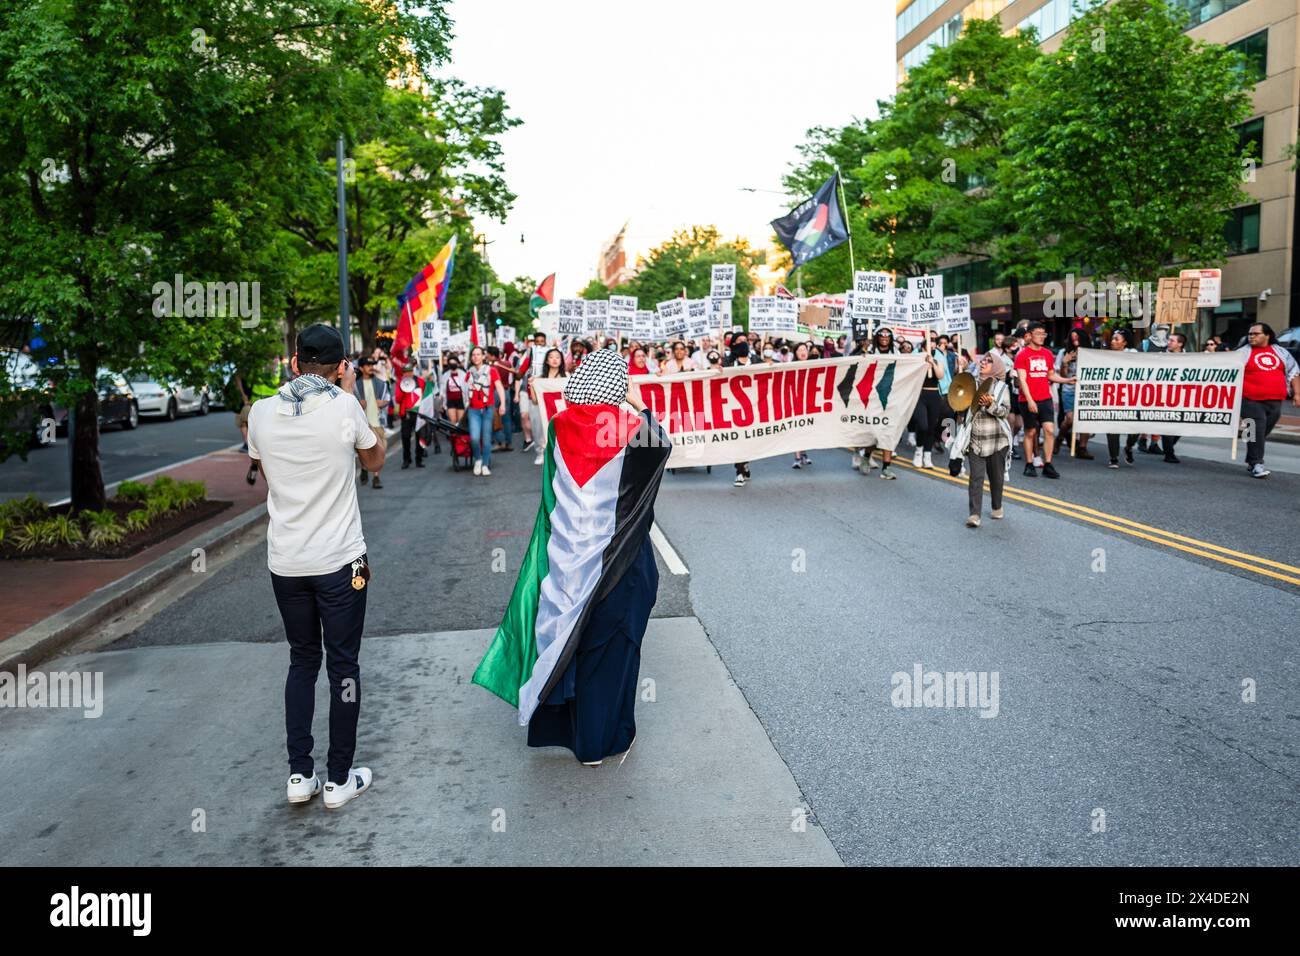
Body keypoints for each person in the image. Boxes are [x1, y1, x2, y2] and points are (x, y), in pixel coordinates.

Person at [472, 346, 671, 766]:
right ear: (618, 385)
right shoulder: (632, 426)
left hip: (565, 558)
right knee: (612, 650)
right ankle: (598, 743)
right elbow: (661, 447)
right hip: (619, 561)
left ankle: (571, 728)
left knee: (570, 645)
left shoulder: (559, 425)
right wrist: (639, 401)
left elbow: (552, 491)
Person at [246, 324, 385, 809]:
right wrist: (354, 396)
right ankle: (339, 779)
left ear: (294, 361)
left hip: (286, 560)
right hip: (340, 558)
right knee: (343, 664)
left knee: (302, 660)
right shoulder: (346, 406)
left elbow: (267, 470)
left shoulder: (261, 413)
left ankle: (299, 775)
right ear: (341, 365)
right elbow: (375, 461)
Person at [956, 351, 1012, 528]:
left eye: (988, 361)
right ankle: (974, 514)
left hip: (997, 440)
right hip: (975, 438)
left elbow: (1005, 412)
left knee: (996, 478)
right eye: (982, 360)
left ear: (996, 367)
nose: (983, 363)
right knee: (976, 478)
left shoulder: (1002, 388)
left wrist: (990, 405)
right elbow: (959, 409)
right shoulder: (969, 383)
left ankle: (997, 505)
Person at [1240, 322, 1300, 478]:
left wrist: (1297, 394)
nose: (1251, 336)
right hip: (1249, 400)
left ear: (1267, 336)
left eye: (1255, 334)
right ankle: (1257, 464)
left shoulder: (1281, 352)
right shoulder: (1242, 353)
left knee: (1259, 432)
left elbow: (1294, 372)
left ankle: (1251, 456)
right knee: (1257, 429)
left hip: (1275, 400)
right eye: (1250, 334)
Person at [1014, 322, 1073, 478]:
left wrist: (1067, 380)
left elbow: (1050, 375)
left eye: (1044, 334)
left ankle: (1048, 464)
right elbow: (1022, 380)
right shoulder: (1022, 355)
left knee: (1049, 430)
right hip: (1028, 399)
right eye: (1038, 333)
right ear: (1030, 335)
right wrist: (1030, 400)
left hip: (1045, 398)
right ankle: (1029, 464)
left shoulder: (1047, 354)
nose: (1041, 337)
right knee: (1031, 432)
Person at [909, 331, 949, 470]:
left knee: (932, 426)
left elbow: (940, 376)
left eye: (933, 343)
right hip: (919, 395)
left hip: (934, 396)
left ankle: (927, 455)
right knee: (923, 425)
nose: (931, 345)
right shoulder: (916, 359)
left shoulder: (938, 359)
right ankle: (918, 451)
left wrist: (933, 363)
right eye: (928, 343)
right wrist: (923, 363)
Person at [465, 345, 507, 476]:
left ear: (483, 356)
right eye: (473, 355)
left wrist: (502, 404)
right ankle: (478, 459)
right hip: (473, 410)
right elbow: (465, 392)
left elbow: (499, 387)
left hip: (488, 409)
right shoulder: (468, 373)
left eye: (478, 354)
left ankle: (485, 463)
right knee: (474, 438)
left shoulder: (491, 371)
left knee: (487, 438)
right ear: (471, 358)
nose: (476, 357)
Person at [1103, 328, 1139, 469]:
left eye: (1116, 339)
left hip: (1130, 395)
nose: (1112, 341)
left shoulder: (1133, 354)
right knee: (1113, 426)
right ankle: (1114, 457)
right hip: (1112, 395)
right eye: (1112, 338)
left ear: (1124, 343)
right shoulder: (1105, 355)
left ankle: (1129, 447)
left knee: (1136, 426)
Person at [353, 356, 390, 489]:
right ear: (361, 368)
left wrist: (384, 402)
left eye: (372, 365)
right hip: (363, 424)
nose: (371, 367)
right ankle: (364, 467)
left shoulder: (381, 383)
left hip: (378, 422)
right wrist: (357, 404)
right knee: (365, 450)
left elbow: (387, 398)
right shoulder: (354, 385)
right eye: (368, 365)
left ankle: (376, 477)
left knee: (380, 450)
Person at [1056, 327, 1094, 460]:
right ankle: (1059, 438)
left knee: (1085, 418)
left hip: (1086, 390)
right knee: (1070, 419)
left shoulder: (1090, 353)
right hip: (1069, 389)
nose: (1074, 340)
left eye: (1077, 338)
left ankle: (1082, 448)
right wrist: (1065, 363)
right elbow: (1062, 376)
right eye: (1072, 338)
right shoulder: (1063, 352)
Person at [529, 347, 568, 465]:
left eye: (557, 357)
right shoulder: (540, 379)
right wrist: (531, 386)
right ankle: (541, 452)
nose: (554, 360)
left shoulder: (567, 376)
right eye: (551, 357)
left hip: (564, 415)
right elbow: (535, 401)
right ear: (546, 361)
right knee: (542, 434)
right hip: (547, 414)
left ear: (561, 360)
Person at [726, 338, 757, 485]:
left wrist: (770, 366)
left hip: (755, 407)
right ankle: (739, 471)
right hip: (733, 409)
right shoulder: (729, 362)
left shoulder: (757, 360)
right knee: (737, 440)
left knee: (749, 440)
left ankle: (744, 463)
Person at [1159, 332, 1189, 464]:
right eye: (1169, 340)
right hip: (1165, 394)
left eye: (1172, 340)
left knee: (1182, 425)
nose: (1168, 342)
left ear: (1180, 344)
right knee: (1168, 424)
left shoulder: (1189, 358)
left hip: (1182, 395)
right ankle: (1169, 453)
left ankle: (1169, 447)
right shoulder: (1161, 357)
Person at [393, 364, 426, 469]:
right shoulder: (400, 383)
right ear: (403, 374)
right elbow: (398, 400)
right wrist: (404, 389)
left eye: (410, 371)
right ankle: (406, 459)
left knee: (420, 436)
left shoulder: (420, 381)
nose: (408, 374)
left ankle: (419, 459)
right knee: (405, 437)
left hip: (419, 413)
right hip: (406, 413)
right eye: (406, 372)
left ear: (413, 371)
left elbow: (426, 395)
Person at [791, 342, 812, 469]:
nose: (803, 352)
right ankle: (797, 457)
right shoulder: (790, 366)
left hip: (809, 402)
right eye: (800, 350)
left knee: (806, 430)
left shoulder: (815, 364)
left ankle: (804, 454)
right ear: (795, 353)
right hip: (795, 401)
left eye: (805, 349)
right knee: (796, 430)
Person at [440, 354, 468, 426]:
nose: (453, 364)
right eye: (451, 363)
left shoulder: (463, 374)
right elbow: (442, 389)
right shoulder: (445, 375)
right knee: (452, 423)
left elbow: (467, 388)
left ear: (458, 363)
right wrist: (442, 402)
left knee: (460, 423)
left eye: (454, 363)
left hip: (461, 400)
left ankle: (459, 437)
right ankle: (453, 436)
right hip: (450, 401)